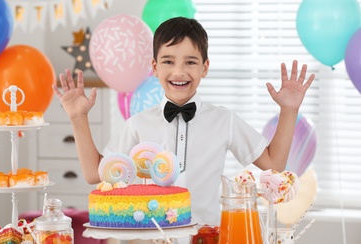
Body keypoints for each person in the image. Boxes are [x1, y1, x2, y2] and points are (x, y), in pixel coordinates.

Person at [52, 17, 315, 224]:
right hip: (154, 235)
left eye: (190, 62)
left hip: (208, 234)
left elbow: (274, 163)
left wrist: (289, 110)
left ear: (205, 67)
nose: (179, 71)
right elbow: (93, 173)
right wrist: (78, 117)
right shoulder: (138, 123)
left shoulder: (225, 120)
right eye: (168, 61)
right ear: (154, 67)